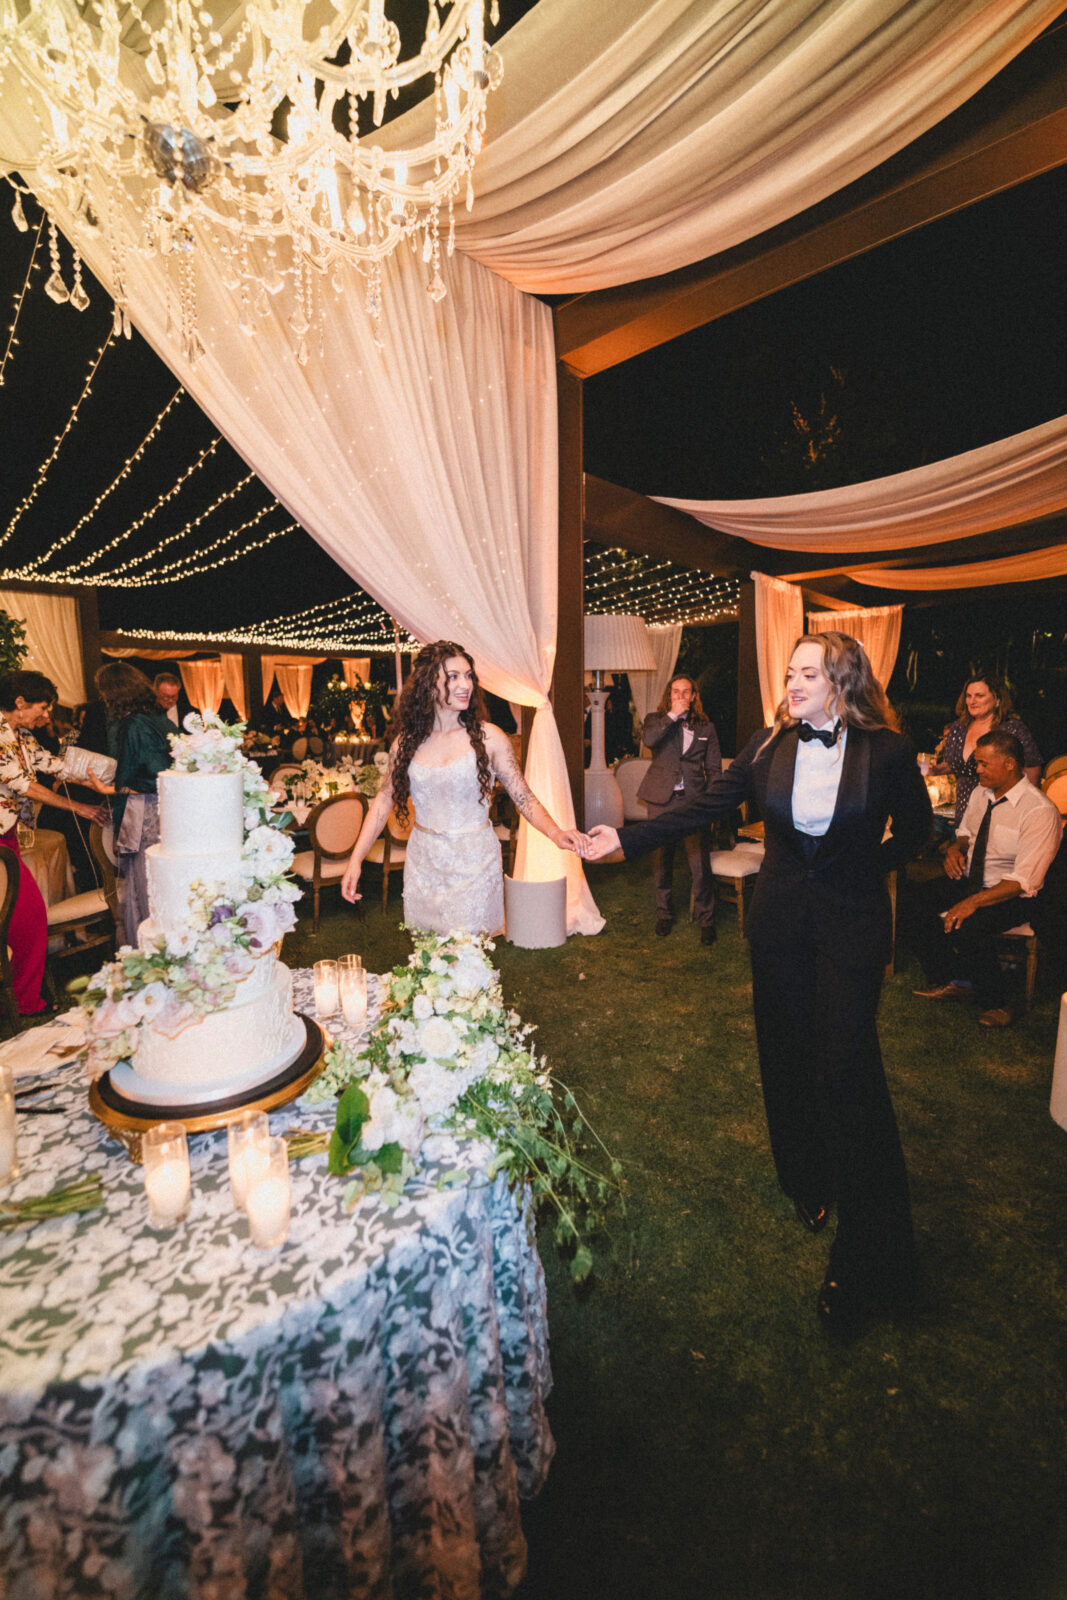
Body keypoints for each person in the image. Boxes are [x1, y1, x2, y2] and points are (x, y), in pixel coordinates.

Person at [585, 632, 932, 1340]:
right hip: (777, 925)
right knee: (783, 1051)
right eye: (789, 670)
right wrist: (623, 838)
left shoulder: (887, 752)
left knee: (848, 1070)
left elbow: (919, 831)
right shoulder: (767, 745)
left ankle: (867, 1255)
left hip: (850, 929)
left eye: (807, 672)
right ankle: (806, 1178)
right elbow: (705, 806)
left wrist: (866, 866)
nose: (792, 681)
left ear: (841, 681)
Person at [341, 641, 586, 935]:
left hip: (473, 864)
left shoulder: (490, 739)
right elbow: (383, 803)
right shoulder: (405, 743)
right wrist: (355, 859)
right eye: (454, 676)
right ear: (430, 684)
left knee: (468, 960)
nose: (465, 684)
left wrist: (556, 832)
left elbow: (523, 797)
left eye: (468, 675)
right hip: (424, 863)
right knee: (429, 960)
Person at [907, 728, 1062, 1028]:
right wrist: (956, 848)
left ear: (1009, 764)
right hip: (972, 881)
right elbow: (966, 832)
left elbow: (1024, 880)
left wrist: (971, 903)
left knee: (968, 926)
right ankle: (955, 979)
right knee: (914, 903)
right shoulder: (981, 793)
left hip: (1014, 895)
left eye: (983, 764)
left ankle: (1002, 1000)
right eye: (976, 762)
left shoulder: (1039, 811)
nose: (976, 770)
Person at [0, 670, 107, 1016]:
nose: (47, 716)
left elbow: (54, 765)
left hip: (8, 836)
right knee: (28, 917)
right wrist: (79, 806)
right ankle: (24, 1002)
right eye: (43, 708)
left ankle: (18, 1000)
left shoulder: (22, 734)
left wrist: (98, 780)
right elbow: (24, 786)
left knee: (23, 919)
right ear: (19, 703)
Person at [84, 664, 173, 946]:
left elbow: (158, 775)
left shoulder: (134, 723)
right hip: (164, 811)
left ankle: (148, 955)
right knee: (158, 885)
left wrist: (108, 788)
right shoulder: (160, 718)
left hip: (144, 812)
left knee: (145, 889)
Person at [637, 673, 722, 945]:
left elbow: (714, 769)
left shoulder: (706, 727)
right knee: (661, 862)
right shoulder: (656, 720)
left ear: (694, 696)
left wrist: (711, 801)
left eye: (686, 692)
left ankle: (706, 920)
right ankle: (664, 914)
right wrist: (672, 716)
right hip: (660, 801)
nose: (681, 696)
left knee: (699, 864)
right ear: (669, 695)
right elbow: (649, 741)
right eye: (676, 692)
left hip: (692, 802)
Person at [932, 675, 1041, 825]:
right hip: (965, 808)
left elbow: (1032, 767)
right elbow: (956, 763)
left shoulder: (1012, 729)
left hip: (1000, 807)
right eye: (968, 696)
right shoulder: (959, 728)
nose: (972, 701)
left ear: (997, 699)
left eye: (979, 696)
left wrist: (1027, 807)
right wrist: (934, 770)